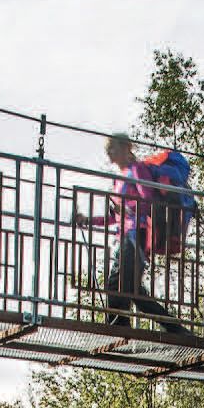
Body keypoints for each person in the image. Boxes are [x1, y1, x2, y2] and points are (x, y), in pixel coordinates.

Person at [71, 132, 191, 337]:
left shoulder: (137, 170)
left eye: (113, 148)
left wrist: (128, 209)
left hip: (138, 234)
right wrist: (87, 221)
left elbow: (149, 201)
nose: (109, 153)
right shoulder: (119, 180)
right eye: (107, 149)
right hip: (125, 236)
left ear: (126, 148)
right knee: (132, 290)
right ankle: (175, 329)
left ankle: (118, 328)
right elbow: (115, 217)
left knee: (116, 283)